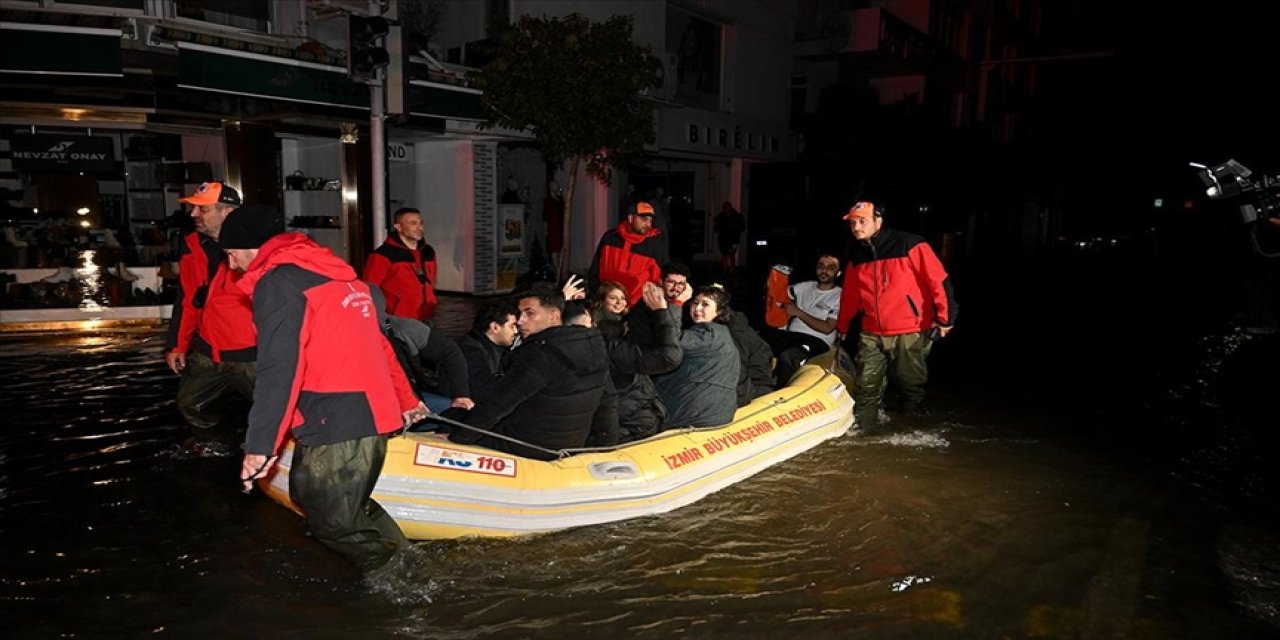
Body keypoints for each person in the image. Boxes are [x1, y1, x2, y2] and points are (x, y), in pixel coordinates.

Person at [223, 204, 427, 574]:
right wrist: (406, 399)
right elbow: (379, 344)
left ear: (247, 246)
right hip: (371, 411)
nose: (232, 264)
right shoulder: (344, 277)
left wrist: (260, 446)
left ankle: (396, 577)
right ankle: (405, 561)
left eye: (231, 253)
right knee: (328, 500)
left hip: (335, 414)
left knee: (329, 517)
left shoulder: (279, 282)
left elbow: (278, 367)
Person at [449, 285, 615, 459]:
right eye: (520, 315)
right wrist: (605, 447)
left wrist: (459, 439)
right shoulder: (595, 345)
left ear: (554, 316)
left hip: (529, 445)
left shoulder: (543, 353)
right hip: (571, 443)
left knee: (453, 416)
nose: (520, 321)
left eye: (530, 313)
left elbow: (499, 403)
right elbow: (608, 400)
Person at [836, 201, 957, 432]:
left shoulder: (910, 244)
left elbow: (938, 281)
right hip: (871, 331)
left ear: (878, 221)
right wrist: (843, 325)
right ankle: (865, 432)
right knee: (866, 385)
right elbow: (850, 295)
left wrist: (945, 319)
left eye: (862, 221)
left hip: (910, 329)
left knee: (909, 383)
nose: (856, 227)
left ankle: (911, 429)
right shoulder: (856, 254)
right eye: (853, 223)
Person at [163, 181, 256, 453]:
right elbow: (188, 299)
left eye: (202, 209)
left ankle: (283, 456)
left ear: (227, 211)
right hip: (208, 349)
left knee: (281, 408)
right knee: (190, 404)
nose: (193, 214)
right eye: (193, 207)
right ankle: (220, 447)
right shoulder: (193, 246)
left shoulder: (257, 246)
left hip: (252, 354)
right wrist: (177, 345)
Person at [597, 281, 683, 442]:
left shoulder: (628, 324)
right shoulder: (606, 335)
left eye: (622, 298)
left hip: (638, 409)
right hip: (627, 415)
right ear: (601, 301)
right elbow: (669, 356)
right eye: (613, 298)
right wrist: (661, 311)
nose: (619, 302)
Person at [653, 284, 741, 428]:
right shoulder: (722, 335)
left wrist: (674, 305)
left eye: (705, 304)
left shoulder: (709, 335)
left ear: (718, 311)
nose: (697, 308)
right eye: (695, 303)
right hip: (715, 415)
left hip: (692, 416)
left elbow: (671, 340)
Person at [764, 253, 842, 386]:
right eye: (821, 266)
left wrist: (798, 312)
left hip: (817, 342)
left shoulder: (840, 295)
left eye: (831, 268)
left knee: (789, 357)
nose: (824, 270)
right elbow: (778, 294)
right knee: (757, 345)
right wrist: (775, 278)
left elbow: (827, 328)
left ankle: (782, 395)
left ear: (838, 273)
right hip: (790, 336)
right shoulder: (805, 287)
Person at [363, 207, 438, 323]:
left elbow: (431, 280)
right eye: (413, 223)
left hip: (426, 315)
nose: (420, 227)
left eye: (421, 223)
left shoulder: (428, 252)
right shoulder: (383, 255)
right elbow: (370, 288)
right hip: (398, 318)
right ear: (398, 227)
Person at [588, 201, 669, 307]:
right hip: (607, 303)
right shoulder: (610, 237)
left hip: (638, 307)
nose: (648, 224)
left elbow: (662, 274)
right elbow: (595, 269)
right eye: (644, 219)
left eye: (650, 220)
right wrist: (597, 296)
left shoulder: (655, 243)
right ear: (630, 218)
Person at [457, 300, 519, 402]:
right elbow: (483, 390)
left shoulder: (500, 350)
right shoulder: (469, 352)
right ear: (494, 327)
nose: (516, 331)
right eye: (512, 326)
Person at [713, 201, 745, 273]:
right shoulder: (721, 216)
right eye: (725, 208)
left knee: (731, 254)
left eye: (727, 207)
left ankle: (731, 269)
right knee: (724, 254)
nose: (727, 209)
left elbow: (742, 227)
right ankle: (726, 269)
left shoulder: (737, 216)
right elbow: (716, 228)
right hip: (724, 239)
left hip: (733, 239)